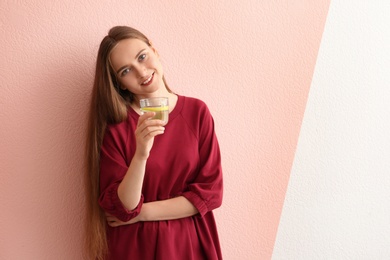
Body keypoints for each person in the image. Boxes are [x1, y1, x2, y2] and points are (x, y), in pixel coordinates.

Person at [84, 26, 223, 260]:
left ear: (154, 50)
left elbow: (211, 194)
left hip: (187, 243)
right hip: (135, 248)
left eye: (142, 57)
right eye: (126, 70)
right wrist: (141, 154)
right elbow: (125, 207)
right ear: (119, 83)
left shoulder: (197, 112)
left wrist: (142, 213)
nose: (141, 72)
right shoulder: (117, 127)